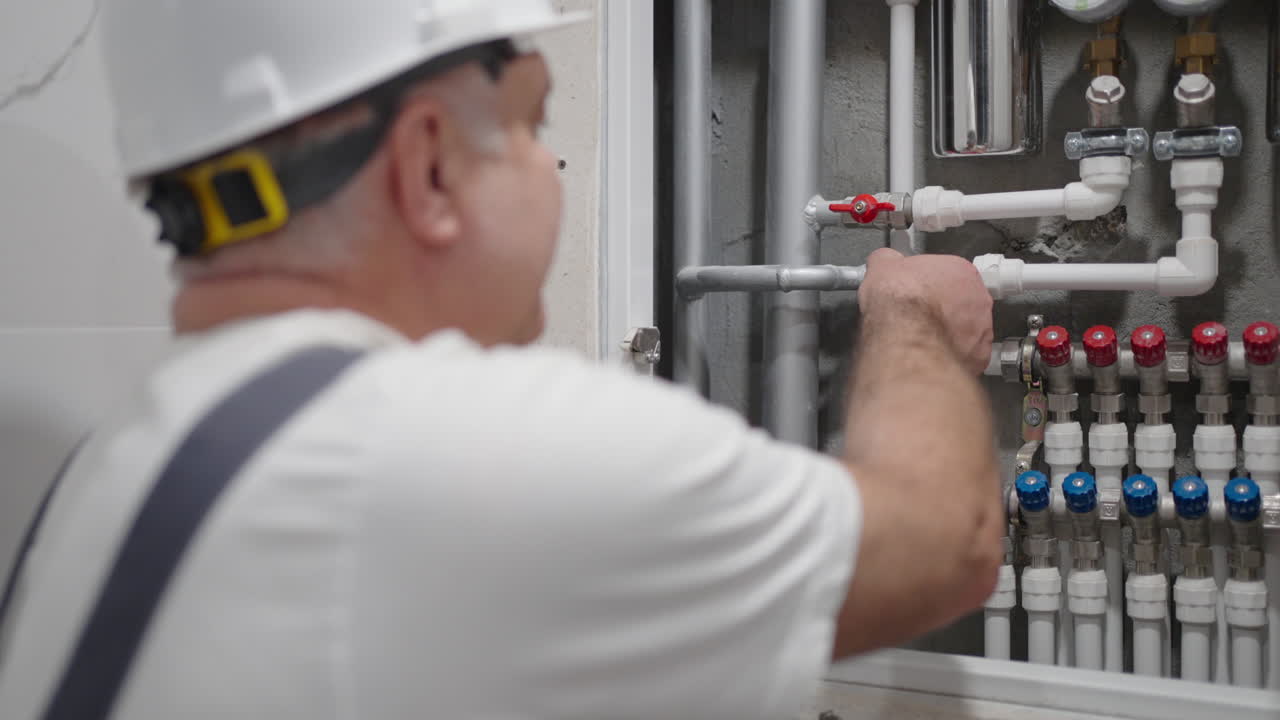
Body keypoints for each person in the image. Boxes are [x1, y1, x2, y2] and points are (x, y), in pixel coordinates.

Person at [0, 1, 1001, 718]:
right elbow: (946, 541)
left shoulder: (110, 468)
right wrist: (912, 315)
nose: (547, 167)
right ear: (429, 165)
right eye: (531, 122)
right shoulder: (457, 452)